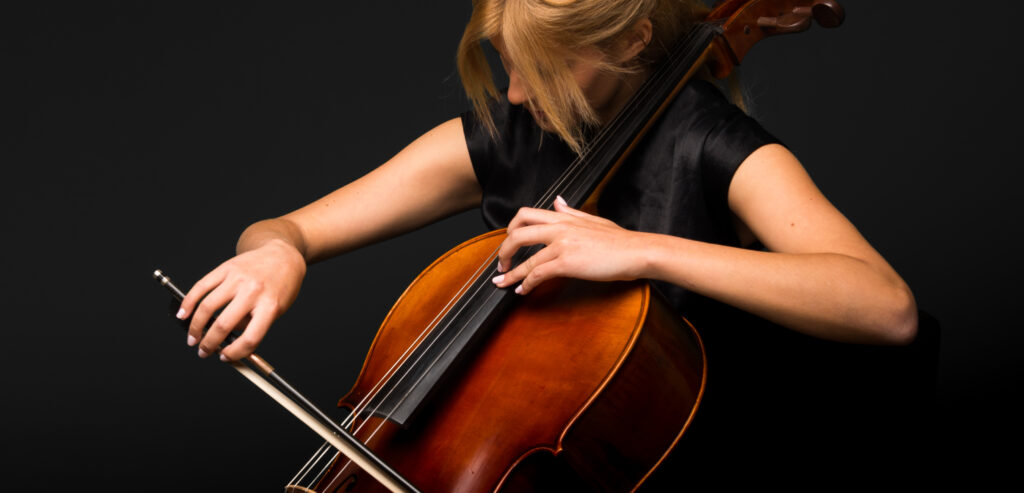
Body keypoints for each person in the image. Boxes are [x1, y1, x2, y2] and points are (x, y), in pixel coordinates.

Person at [178, 0, 918, 485]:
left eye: (545, 64)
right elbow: (289, 229)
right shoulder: (502, 139)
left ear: (632, 37)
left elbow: (886, 307)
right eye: (507, 61)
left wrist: (643, 250)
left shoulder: (721, 151)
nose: (517, 95)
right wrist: (274, 252)